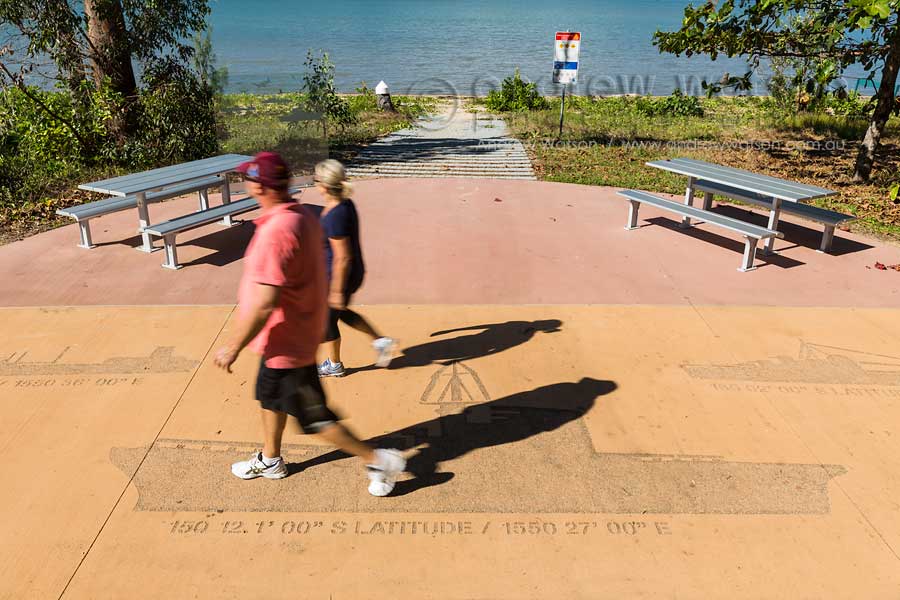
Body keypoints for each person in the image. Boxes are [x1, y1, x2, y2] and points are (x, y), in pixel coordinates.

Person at [213, 151, 405, 496]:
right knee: (270, 397)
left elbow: (266, 302)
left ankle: (378, 460)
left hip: (288, 343)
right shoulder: (300, 215)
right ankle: (271, 459)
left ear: (259, 187)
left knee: (316, 418)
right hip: (286, 338)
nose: (244, 184)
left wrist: (233, 347)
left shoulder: (277, 232)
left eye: (247, 179)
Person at [314, 159, 395, 377]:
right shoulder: (344, 203)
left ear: (324, 185)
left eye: (316, 179)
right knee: (338, 314)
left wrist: (336, 290)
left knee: (326, 321)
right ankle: (381, 341)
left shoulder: (335, 216)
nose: (314, 183)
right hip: (346, 273)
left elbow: (342, 257)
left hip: (339, 276)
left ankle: (335, 365)